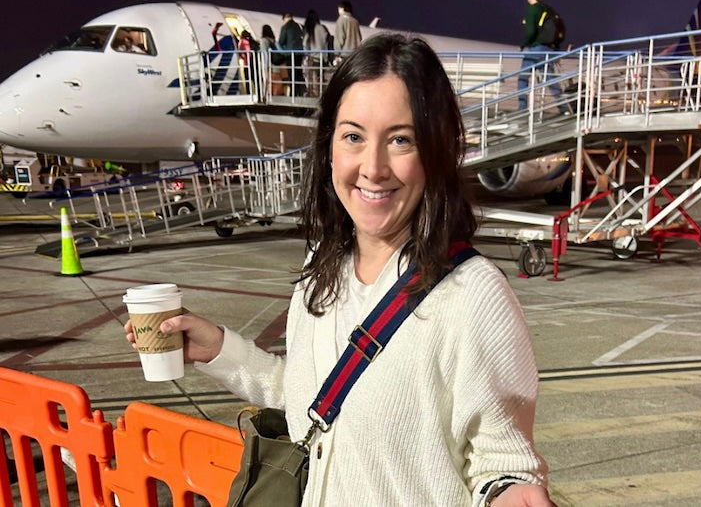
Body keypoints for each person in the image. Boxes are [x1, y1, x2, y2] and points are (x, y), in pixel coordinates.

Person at [124, 33, 554, 507]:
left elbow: (501, 460)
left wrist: (510, 490)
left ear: (435, 152)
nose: (373, 167)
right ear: (330, 147)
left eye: (400, 140)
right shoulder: (322, 265)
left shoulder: (474, 294)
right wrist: (219, 350)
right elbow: (310, 401)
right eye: (353, 136)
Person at [517, 0, 569, 113]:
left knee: (523, 78)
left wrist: (523, 44)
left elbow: (530, 31)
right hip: (548, 49)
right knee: (550, 79)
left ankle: (522, 109)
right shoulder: (546, 9)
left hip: (536, 49)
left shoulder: (533, 9)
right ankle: (564, 108)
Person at [302, 9, 330, 97]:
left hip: (313, 59)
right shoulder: (322, 28)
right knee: (321, 80)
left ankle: (314, 96)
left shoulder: (310, 29)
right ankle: (321, 96)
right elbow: (327, 42)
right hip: (323, 59)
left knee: (313, 81)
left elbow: (305, 45)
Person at [278, 13, 306, 96]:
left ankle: (293, 93)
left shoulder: (285, 27)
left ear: (284, 19)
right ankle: (300, 92)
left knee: (291, 73)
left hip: (290, 54)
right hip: (300, 53)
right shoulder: (299, 26)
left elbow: (281, 41)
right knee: (298, 72)